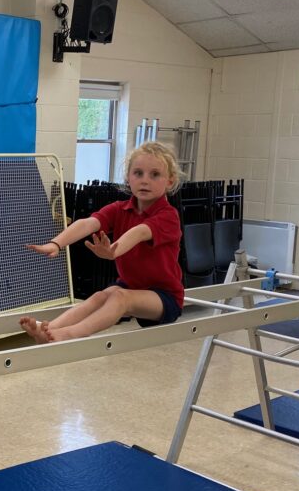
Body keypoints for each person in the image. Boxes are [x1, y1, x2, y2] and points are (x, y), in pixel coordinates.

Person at [20, 141, 184, 343]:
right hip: (131, 285)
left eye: (155, 174)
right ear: (128, 178)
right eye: (138, 173)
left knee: (120, 298)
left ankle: (68, 335)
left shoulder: (168, 216)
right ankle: (48, 329)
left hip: (163, 296)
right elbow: (89, 223)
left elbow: (140, 232)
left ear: (170, 181)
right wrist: (56, 244)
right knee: (99, 297)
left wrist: (114, 251)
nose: (145, 181)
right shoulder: (120, 208)